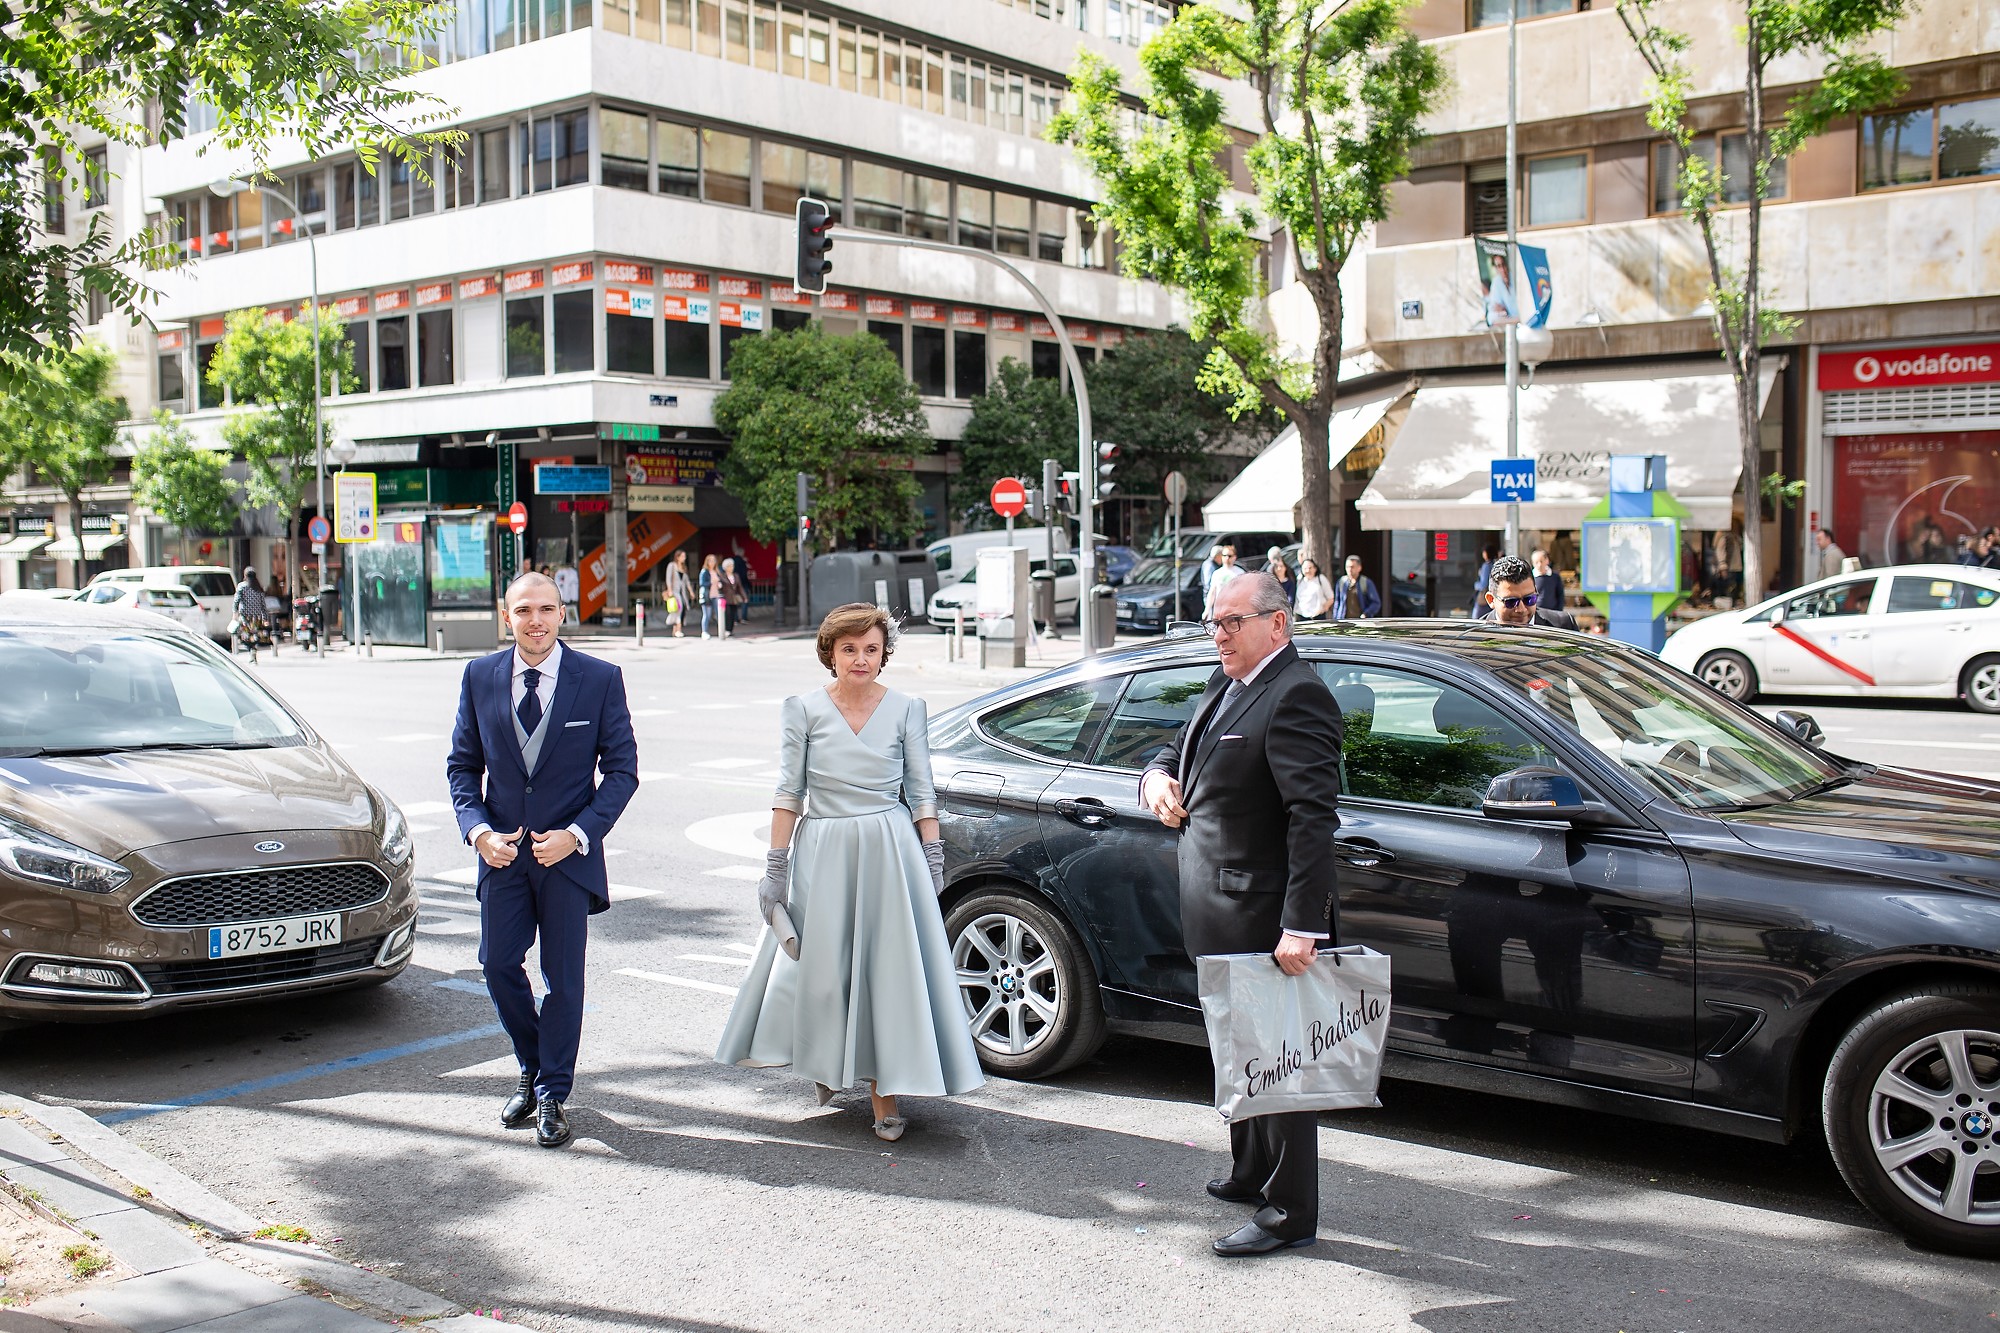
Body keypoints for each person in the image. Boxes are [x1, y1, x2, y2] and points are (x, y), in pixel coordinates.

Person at [716, 603, 983, 1141]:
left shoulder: (908, 708)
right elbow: (788, 792)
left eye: (871, 649)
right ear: (830, 653)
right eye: (849, 649)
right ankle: (827, 1066)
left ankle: (884, 1092)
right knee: (824, 970)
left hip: (890, 849)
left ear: (884, 655)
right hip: (823, 849)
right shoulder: (803, 709)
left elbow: (923, 792)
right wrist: (775, 868)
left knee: (886, 974)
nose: (860, 659)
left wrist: (933, 859)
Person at [1141, 573, 1343, 1257]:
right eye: (1212, 622)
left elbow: (1311, 820)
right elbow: (1178, 751)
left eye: (1231, 622)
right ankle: (1251, 1169)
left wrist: (1302, 924)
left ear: (1277, 624)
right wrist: (1156, 779)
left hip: (1263, 916)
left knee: (1280, 1065)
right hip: (1216, 913)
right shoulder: (1226, 682)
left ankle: (1289, 1210)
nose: (1218, 634)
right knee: (1238, 1051)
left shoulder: (1298, 694)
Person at [446, 571, 640, 1149]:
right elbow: (462, 767)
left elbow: (623, 772)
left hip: (567, 858)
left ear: (563, 613)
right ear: (507, 617)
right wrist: (478, 832)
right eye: (524, 610)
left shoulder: (599, 679)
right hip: (502, 855)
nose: (536, 620)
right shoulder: (479, 675)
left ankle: (553, 1091)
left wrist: (578, 834)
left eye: (546, 609)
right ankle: (531, 1064)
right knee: (497, 963)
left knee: (563, 979)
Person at [1477, 554, 1579, 629]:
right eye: (1511, 602)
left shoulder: (1563, 625)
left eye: (1529, 599)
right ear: (1491, 600)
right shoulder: (1474, 636)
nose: (1521, 609)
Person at [1331, 554, 1382, 619]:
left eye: (1352, 567)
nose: (1349, 569)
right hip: (1343, 621)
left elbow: (1376, 603)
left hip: (1360, 622)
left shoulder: (1366, 582)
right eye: (1347, 567)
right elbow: (1337, 602)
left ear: (1359, 568)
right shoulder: (1341, 582)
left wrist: (1366, 613)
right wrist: (1335, 617)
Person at [232, 567, 268, 651]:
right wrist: (265, 617)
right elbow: (263, 604)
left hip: (245, 616)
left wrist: (234, 612)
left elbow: (236, 600)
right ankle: (253, 650)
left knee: (246, 635)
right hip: (256, 617)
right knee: (255, 635)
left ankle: (250, 650)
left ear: (245, 575)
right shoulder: (258, 587)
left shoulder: (242, 586)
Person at [1201, 545, 1242, 619]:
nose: (1227, 558)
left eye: (1229, 556)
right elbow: (1212, 592)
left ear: (1234, 557)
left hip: (1234, 610)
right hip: (1219, 609)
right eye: (1224, 555)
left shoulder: (1240, 573)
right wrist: (1207, 610)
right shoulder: (1217, 573)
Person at [665, 549, 696, 639]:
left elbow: (686, 581)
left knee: (680, 610)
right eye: (682, 556)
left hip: (681, 592)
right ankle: (678, 630)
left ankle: (675, 630)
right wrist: (670, 589)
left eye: (684, 556)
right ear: (677, 557)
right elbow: (668, 578)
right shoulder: (672, 566)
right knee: (679, 609)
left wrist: (691, 591)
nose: (684, 558)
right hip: (674, 592)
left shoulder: (683, 568)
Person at [699, 554, 726, 640]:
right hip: (707, 595)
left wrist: (719, 584)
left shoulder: (716, 571)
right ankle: (704, 632)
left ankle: (721, 631)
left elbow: (719, 581)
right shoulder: (704, 571)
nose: (712, 563)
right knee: (707, 614)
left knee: (719, 614)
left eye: (714, 561)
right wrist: (711, 582)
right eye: (710, 561)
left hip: (716, 594)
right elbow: (702, 583)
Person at [721, 556, 750, 635]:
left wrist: (744, 597)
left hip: (734, 598)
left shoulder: (736, 575)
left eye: (732, 566)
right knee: (728, 614)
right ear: (726, 567)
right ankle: (727, 629)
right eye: (730, 566)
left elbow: (740, 587)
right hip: (726, 598)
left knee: (733, 613)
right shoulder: (722, 576)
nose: (731, 568)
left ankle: (730, 630)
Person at [1470, 544, 1497, 616]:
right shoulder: (1495, 564)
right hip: (1493, 595)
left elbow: (1483, 584)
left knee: (1476, 618)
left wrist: (1476, 585)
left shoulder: (1486, 566)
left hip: (1483, 597)